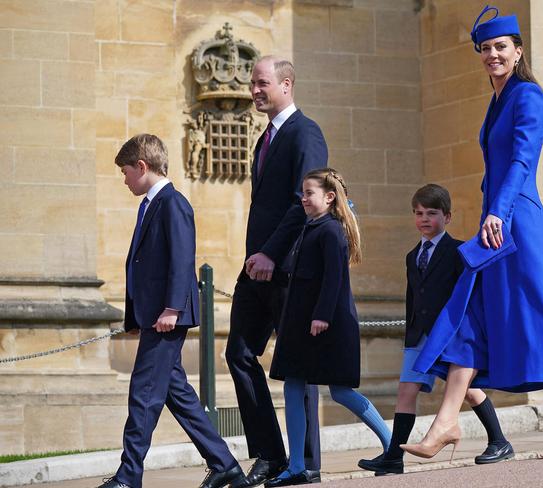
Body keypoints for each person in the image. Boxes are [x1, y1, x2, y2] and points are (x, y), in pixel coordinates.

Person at [401, 6, 543, 461]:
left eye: (501, 47)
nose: (492, 55)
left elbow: (522, 161)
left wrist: (498, 212)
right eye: (485, 49)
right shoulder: (496, 99)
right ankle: (446, 423)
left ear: (518, 50)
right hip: (497, 221)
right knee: (467, 316)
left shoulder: (527, 96)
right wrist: (490, 210)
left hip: (519, 222)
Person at [100, 134, 245, 488]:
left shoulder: (173, 203)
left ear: (142, 166)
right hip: (153, 317)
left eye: (125, 172)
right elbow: (141, 262)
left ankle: (129, 474)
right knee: (176, 395)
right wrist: (135, 317)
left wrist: (172, 308)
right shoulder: (148, 204)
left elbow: (183, 259)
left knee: (143, 392)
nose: (124, 180)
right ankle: (225, 463)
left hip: (168, 316)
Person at [358, 184, 514, 475]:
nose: (424, 219)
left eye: (431, 213)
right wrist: (409, 337)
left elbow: (467, 296)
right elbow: (412, 299)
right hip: (419, 334)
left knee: (467, 390)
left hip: (450, 334)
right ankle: (394, 456)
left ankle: (499, 441)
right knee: (406, 390)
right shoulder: (411, 256)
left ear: (447, 217)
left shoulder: (458, 252)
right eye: (418, 213)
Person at [225, 56, 327, 487]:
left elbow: (303, 202)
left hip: (288, 267)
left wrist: (270, 253)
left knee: (296, 363)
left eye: (262, 83)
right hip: (258, 268)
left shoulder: (306, 133)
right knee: (239, 353)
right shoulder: (264, 139)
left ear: (287, 84)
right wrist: (255, 257)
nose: (254, 91)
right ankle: (269, 454)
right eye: (253, 84)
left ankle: (305, 464)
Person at [266, 168, 391, 487]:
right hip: (300, 325)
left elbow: (335, 278)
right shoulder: (312, 227)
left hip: (325, 326)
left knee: (341, 391)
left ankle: (393, 447)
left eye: (309, 193)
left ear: (329, 197)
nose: (303, 199)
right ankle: (296, 466)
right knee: (292, 387)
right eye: (303, 193)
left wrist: (321, 316)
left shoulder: (331, 230)